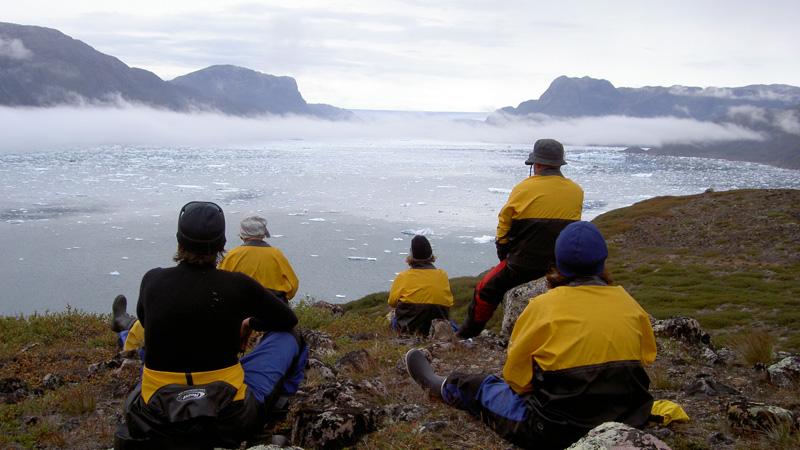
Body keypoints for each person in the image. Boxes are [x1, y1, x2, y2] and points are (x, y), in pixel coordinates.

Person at [407, 221, 657, 449]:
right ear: (601, 263)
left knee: (479, 386)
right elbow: (647, 356)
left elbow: (516, 379)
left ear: (558, 263)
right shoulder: (628, 302)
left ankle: (441, 385)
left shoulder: (543, 306)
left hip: (556, 429)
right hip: (631, 417)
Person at [114, 201, 307, 448]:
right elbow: (288, 320)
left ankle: (123, 328)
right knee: (289, 336)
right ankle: (280, 408)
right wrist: (248, 322)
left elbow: (147, 320)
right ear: (221, 245)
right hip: (229, 418)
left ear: (179, 242)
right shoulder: (237, 284)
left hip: (156, 419)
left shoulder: (152, 280)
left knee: (146, 346)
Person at [458, 138, 583, 338]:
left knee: (485, 291)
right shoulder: (576, 191)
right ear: (559, 164)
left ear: (537, 164)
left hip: (522, 265)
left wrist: (503, 254)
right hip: (559, 266)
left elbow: (504, 225)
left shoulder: (523, 188)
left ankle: (466, 335)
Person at [217, 211, 299, 304]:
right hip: (273, 309)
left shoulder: (232, 255)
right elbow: (293, 285)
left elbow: (219, 285)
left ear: (242, 234)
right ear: (263, 233)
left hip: (240, 309)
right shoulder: (276, 254)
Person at [388, 235, 456, 334]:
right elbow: (449, 303)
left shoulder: (403, 277)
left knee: (392, 319)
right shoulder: (442, 275)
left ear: (411, 255)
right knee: (452, 322)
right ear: (430, 254)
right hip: (437, 330)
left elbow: (392, 302)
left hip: (407, 329)